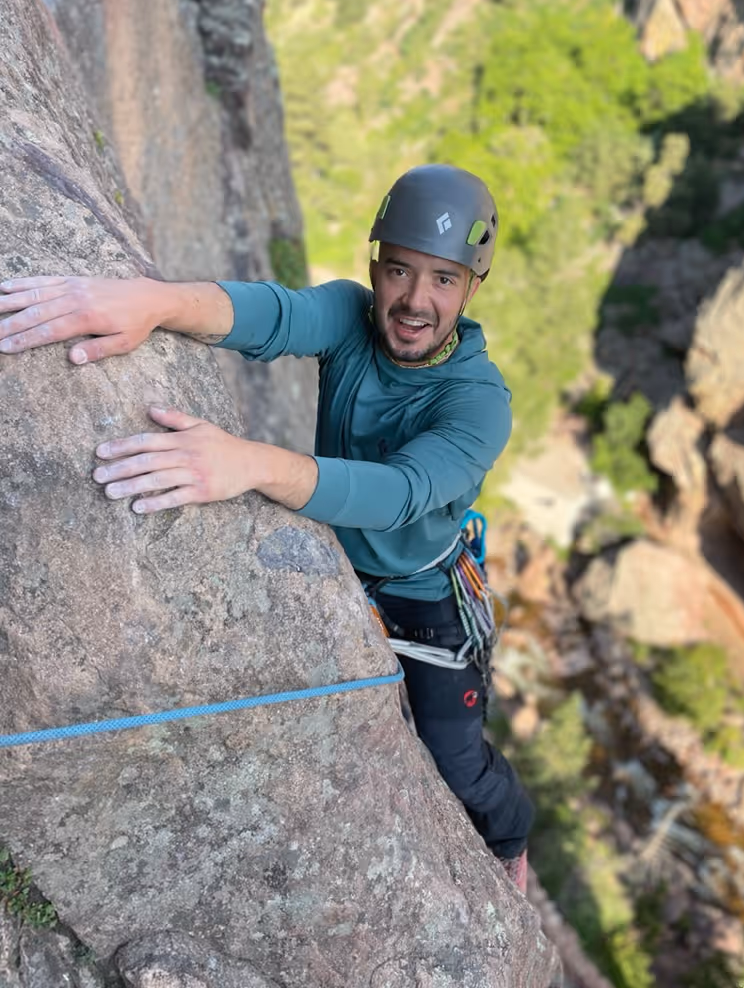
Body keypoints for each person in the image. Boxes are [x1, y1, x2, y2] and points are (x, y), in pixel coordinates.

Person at [0, 163, 533, 890]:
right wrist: (151, 303)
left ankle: (511, 840)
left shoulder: (479, 402)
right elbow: (268, 316)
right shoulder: (352, 316)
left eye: (443, 279)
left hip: (421, 595)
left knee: (455, 758)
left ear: (474, 287)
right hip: (340, 554)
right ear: (375, 267)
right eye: (400, 271)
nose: (413, 300)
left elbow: (402, 492)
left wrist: (248, 464)